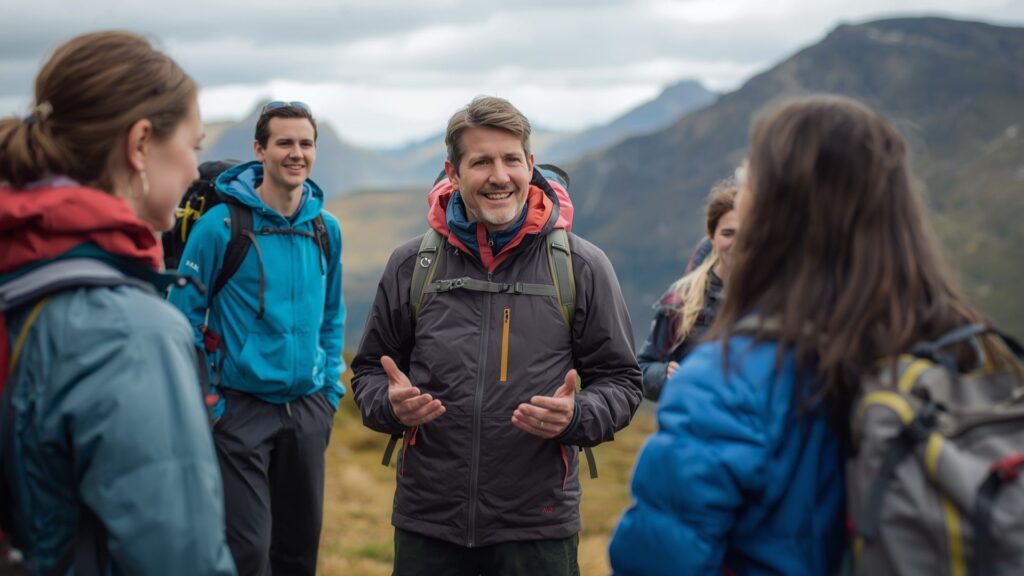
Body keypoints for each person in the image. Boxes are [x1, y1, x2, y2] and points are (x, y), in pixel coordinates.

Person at [609, 94, 1012, 575]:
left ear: (770, 212)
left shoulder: (727, 382)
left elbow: (655, 563)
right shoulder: (971, 348)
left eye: (747, 177)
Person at [351, 96, 642, 576]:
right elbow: (368, 373)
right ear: (453, 171)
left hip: (536, 528)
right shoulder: (412, 265)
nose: (499, 175)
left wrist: (578, 415)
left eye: (511, 159)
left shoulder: (581, 265)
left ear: (531, 164)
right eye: (481, 161)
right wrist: (390, 405)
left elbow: (623, 381)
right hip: (429, 526)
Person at [0, 31, 235, 575]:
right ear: (139, 145)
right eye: (193, 147)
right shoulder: (131, 332)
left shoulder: (19, 260)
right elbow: (179, 558)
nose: (194, 172)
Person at [168, 101, 345, 575]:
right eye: (284, 142)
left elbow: (332, 313)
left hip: (307, 410)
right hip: (238, 410)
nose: (296, 153)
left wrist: (329, 392)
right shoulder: (220, 227)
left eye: (305, 143)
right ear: (259, 150)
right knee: (249, 551)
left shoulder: (326, 230)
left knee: (299, 552)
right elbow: (183, 319)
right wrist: (211, 404)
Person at [636, 179, 738, 400]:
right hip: (695, 427)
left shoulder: (775, 297)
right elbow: (641, 369)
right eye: (728, 234)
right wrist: (664, 376)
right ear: (711, 236)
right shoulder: (682, 298)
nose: (737, 243)